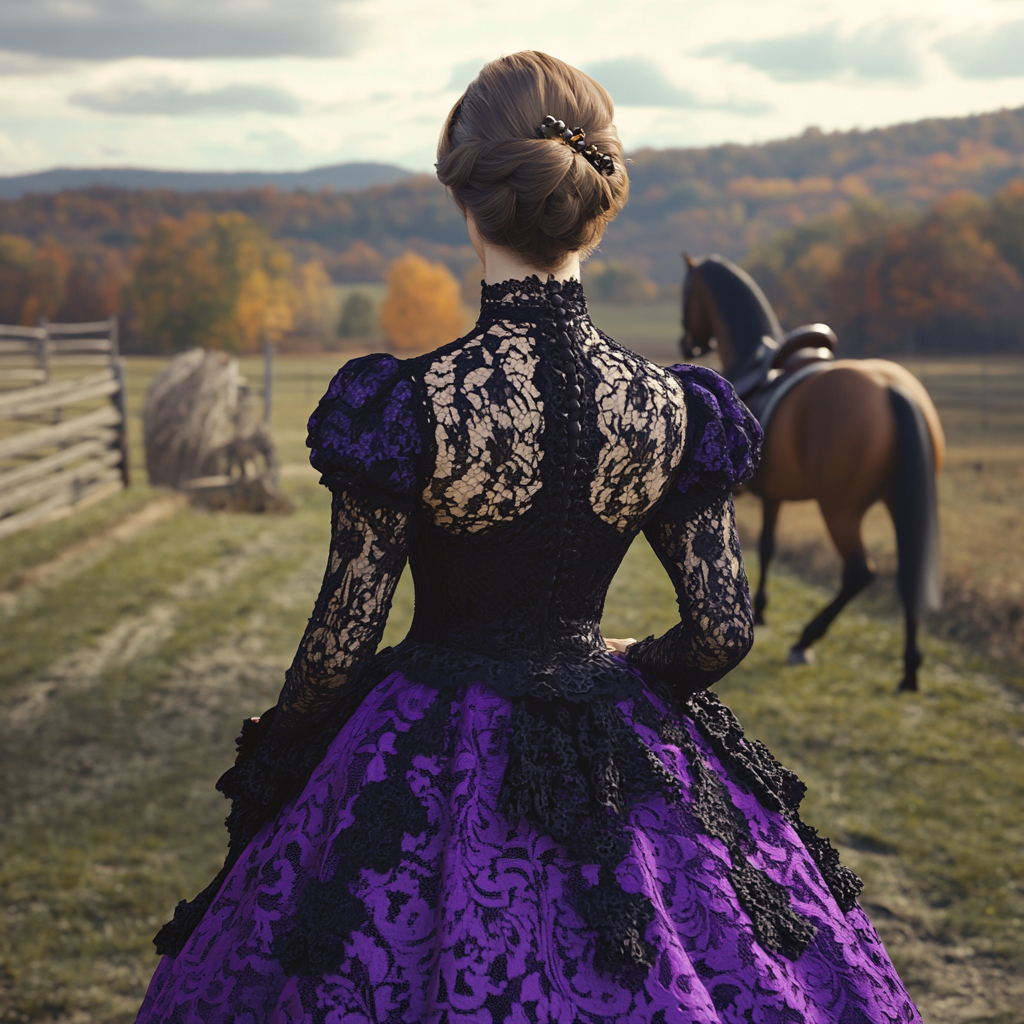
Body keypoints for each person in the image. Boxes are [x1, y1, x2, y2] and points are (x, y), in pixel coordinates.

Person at [136, 51, 920, 1024]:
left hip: (421, 740)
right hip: (611, 734)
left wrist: (284, 747)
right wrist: (635, 664)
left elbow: (342, 639)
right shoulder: (674, 407)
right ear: (599, 198)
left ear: (465, 198)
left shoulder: (407, 403)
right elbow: (721, 628)